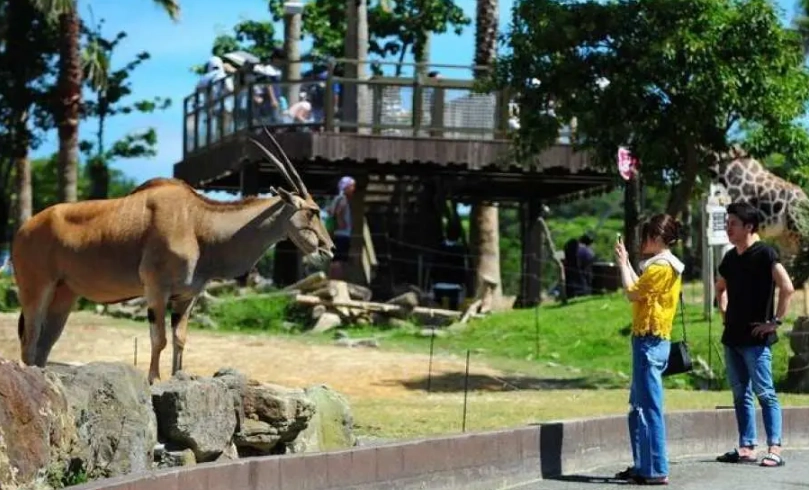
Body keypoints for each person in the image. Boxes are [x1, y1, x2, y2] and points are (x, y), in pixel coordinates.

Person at [715, 201, 794, 468]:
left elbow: (787, 287)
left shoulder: (765, 254)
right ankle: (747, 446)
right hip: (732, 338)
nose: (728, 228)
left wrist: (775, 322)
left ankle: (775, 448)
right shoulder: (730, 257)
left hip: (756, 339)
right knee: (740, 394)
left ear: (749, 226)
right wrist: (724, 313)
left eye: (733, 224)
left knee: (765, 393)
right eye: (727, 223)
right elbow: (720, 287)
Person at [613, 213, 684, 485]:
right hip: (653, 341)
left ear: (656, 238)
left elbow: (631, 293)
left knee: (648, 408)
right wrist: (627, 262)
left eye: (645, 236)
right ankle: (645, 465)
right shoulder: (663, 266)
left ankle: (654, 468)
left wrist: (622, 264)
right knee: (640, 406)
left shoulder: (661, 268)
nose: (641, 240)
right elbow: (638, 287)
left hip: (649, 342)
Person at [326, 176, 355, 280]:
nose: (353, 189)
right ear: (346, 187)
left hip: (337, 234)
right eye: (351, 186)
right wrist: (342, 223)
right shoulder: (343, 198)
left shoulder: (337, 198)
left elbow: (330, 211)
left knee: (335, 259)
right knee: (340, 260)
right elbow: (338, 212)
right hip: (342, 235)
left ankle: (332, 282)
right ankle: (337, 283)